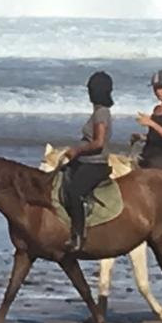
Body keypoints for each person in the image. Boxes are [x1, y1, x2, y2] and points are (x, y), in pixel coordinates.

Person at [60, 71, 114, 252]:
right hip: (85, 161)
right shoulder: (98, 112)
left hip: (95, 163)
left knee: (75, 192)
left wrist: (77, 150)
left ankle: (79, 235)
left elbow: (98, 143)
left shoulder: (101, 114)